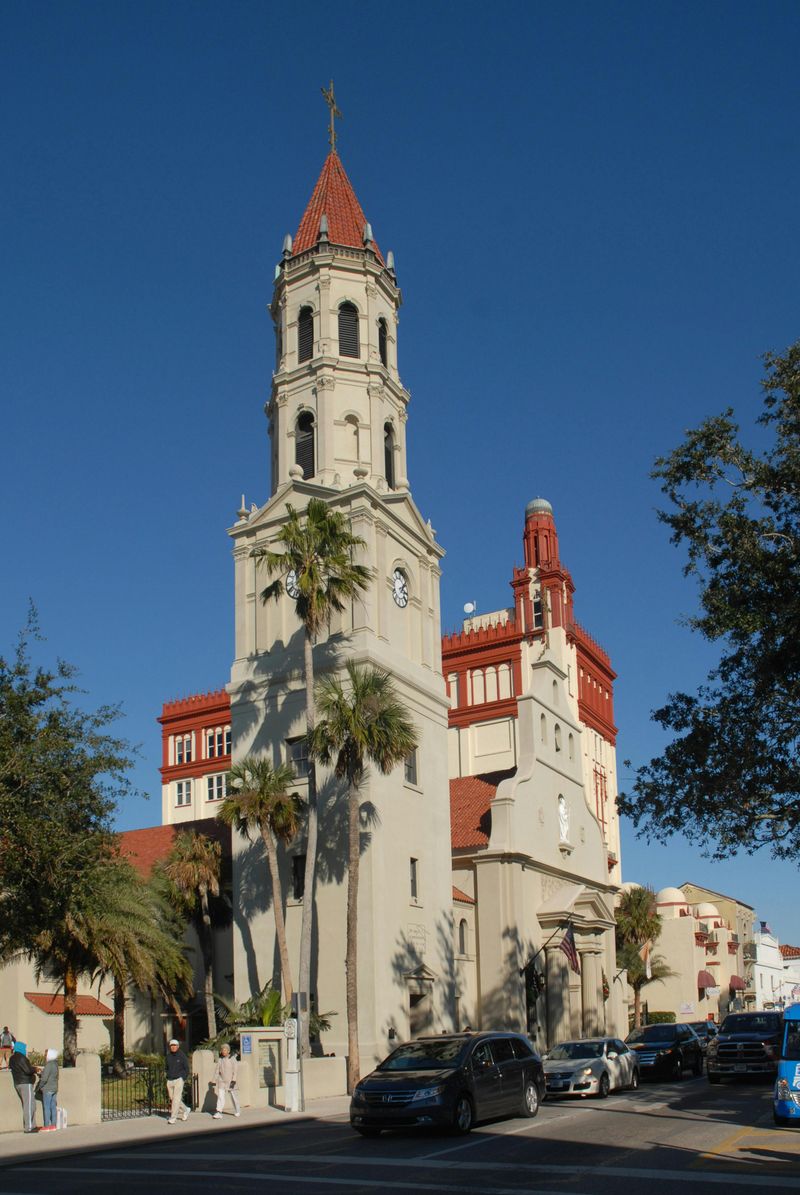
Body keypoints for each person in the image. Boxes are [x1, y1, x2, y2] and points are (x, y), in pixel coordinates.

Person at [9, 1042, 38, 1133]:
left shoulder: (12, 1058)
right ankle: (29, 1127)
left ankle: (32, 1125)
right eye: (24, 1048)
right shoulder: (22, 1058)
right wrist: (35, 1069)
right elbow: (28, 1070)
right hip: (25, 1083)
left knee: (29, 1104)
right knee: (29, 1105)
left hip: (17, 1083)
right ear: (21, 1048)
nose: (25, 1050)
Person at [165, 1038, 190, 1124]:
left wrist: (183, 1077)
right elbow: (167, 1067)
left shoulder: (182, 1056)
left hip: (179, 1079)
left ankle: (173, 1117)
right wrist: (167, 1075)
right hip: (170, 1079)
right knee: (173, 1098)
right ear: (170, 1047)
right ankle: (186, 1109)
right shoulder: (168, 1056)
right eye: (172, 1045)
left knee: (176, 1099)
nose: (173, 1047)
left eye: (175, 1045)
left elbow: (186, 1068)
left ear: (178, 1046)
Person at [212, 1043, 240, 1119]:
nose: (224, 1051)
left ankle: (237, 1110)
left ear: (228, 1050)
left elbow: (235, 1070)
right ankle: (219, 1112)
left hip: (230, 1081)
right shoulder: (220, 1060)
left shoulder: (232, 1058)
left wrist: (234, 1080)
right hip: (222, 1081)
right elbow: (217, 1070)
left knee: (233, 1097)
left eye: (225, 1050)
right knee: (220, 1096)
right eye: (222, 1050)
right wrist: (214, 1080)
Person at [38, 1048, 59, 1131]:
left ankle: (46, 1126)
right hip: (54, 1088)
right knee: (53, 1106)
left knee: (46, 1107)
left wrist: (40, 1086)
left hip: (47, 1088)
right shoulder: (55, 1064)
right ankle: (53, 1125)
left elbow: (44, 1079)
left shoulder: (49, 1065)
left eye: (46, 1054)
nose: (45, 1056)